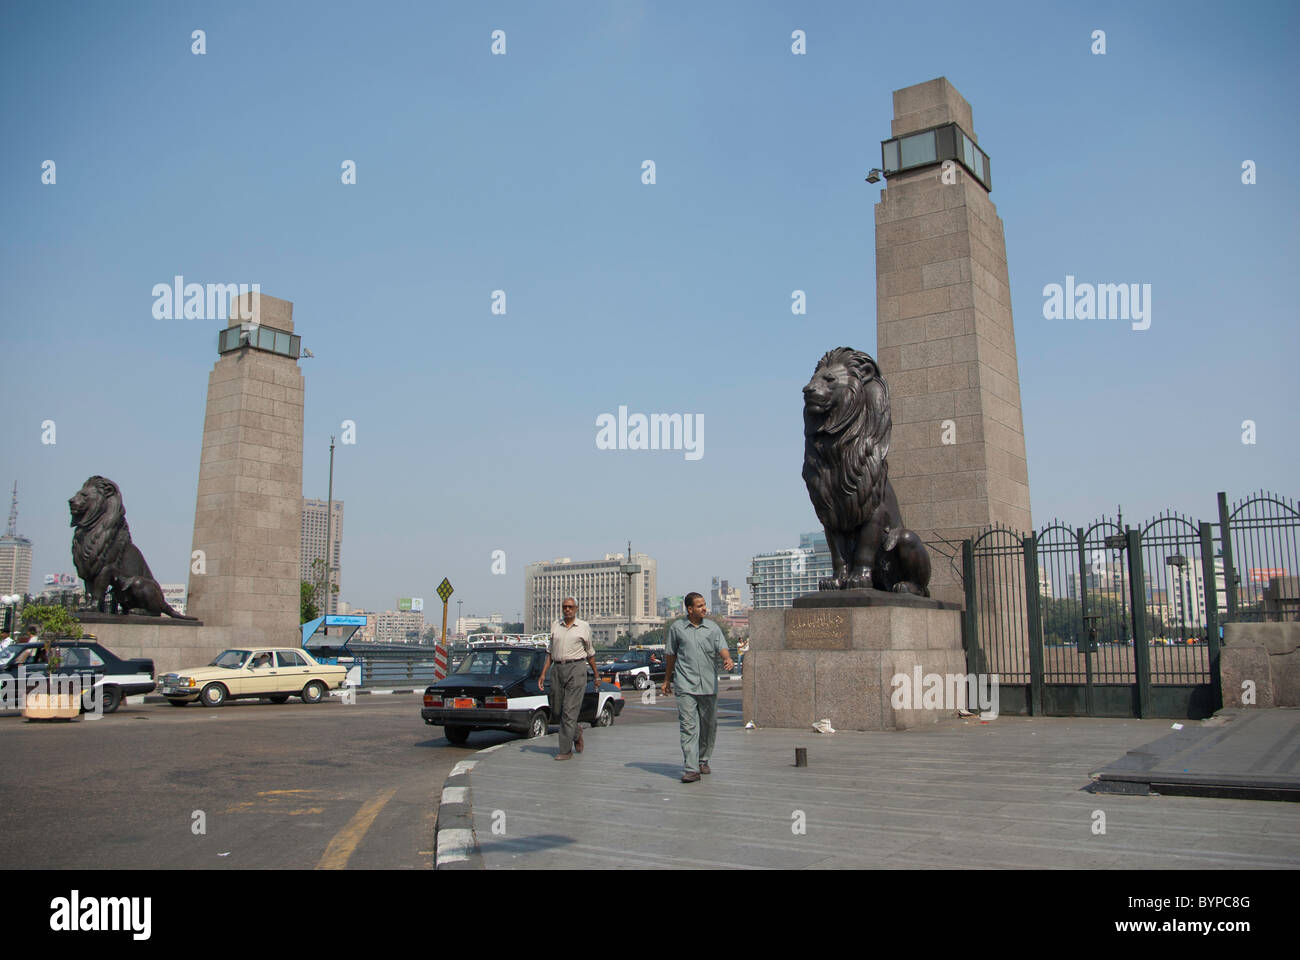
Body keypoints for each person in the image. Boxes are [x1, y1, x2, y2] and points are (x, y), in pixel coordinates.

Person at [662, 592, 734, 783]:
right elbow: (670, 655)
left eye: (704, 605)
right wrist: (667, 680)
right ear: (690, 609)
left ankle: (703, 759)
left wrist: (727, 658)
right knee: (688, 727)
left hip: (709, 685)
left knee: (709, 726)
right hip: (685, 685)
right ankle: (691, 768)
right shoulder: (677, 628)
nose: (704, 608)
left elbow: (722, 647)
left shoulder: (712, 628)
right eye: (700, 606)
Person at [537, 597, 598, 760]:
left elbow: (590, 654)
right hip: (557, 669)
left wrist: (597, 675)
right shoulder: (555, 625)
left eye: (570, 607)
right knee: (557, 710)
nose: (567, 609)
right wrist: (543, 673)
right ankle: (576, 732)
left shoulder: (584, 627)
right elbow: (550, 652)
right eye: (564, 607)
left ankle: (565, 751)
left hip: (576, 669)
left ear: (576, 609)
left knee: (569, 712)